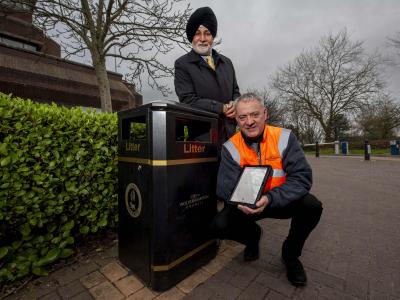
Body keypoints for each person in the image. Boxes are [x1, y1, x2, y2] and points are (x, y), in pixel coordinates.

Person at [212, 93, 323, 287]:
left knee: (312, 206)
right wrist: (241, 203)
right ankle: (252, 237)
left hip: (279, 200)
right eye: (243, 117)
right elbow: (225, 187)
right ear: (236, 120)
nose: (249, 122)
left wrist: (270, 198)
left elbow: (301, 178)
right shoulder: (230, 147)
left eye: (254, 115)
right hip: (246, 205)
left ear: (265, 114)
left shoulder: (285, 137)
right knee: (218, 226)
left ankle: (290, 255)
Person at [174, 6, 240, 148]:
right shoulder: (182, 64)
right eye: (198, 33)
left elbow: (235, 91)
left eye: (207, 33)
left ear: (213, 36)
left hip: (231, 137)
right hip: (202, 140)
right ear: (192, 36)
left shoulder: (227, 62)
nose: (203, 39)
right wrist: (221, 108)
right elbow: (187, 99)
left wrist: (236, 103)